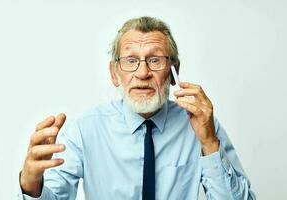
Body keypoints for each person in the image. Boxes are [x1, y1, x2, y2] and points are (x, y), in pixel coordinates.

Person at [18, 16, 256, 200]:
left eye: (155, 60)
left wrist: (210, 145)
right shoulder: (85, 130)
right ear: (115, 73)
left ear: (174, 72)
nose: (142, 73)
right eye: (131, 61)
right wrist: (31, 185)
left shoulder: (201, 127)